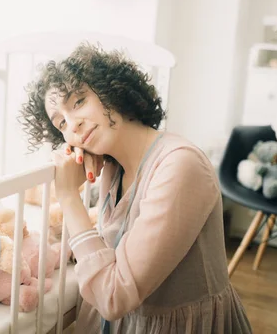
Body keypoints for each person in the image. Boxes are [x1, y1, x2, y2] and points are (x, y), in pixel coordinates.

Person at [19, 43, 253, 333]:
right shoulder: (113, 166)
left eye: (79, 101)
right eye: (61, 122)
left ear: (111, 89)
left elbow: (114, 296)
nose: (73, 125)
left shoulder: (180, 165)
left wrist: (68, 196)